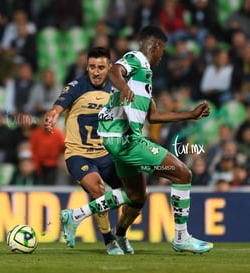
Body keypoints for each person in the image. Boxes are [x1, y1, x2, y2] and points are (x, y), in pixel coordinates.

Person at [59, 25, 214, 254]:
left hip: (116, 139)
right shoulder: (137, 59)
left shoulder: (144, 77)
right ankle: (181, 238)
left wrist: (190, 114)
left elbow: (154, 115)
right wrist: (122, 87)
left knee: (135, 195)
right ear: (157, 46)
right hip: (125, 139)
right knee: (183, 174)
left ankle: (76, 215)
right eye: (163, 50)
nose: (162, 56)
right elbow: (114, 70)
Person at [44, 47, 139, 255]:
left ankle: (120, 233)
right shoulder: (77, 86)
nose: (96, 72)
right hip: (79, 154)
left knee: (136, 195)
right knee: (97, 188)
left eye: (101, 67)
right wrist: (53, 114)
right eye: (92, 67)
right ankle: (109, 240)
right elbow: (58, 106)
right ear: (87, 67)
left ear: (110, 68)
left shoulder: (118, 88)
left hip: (107, 154)